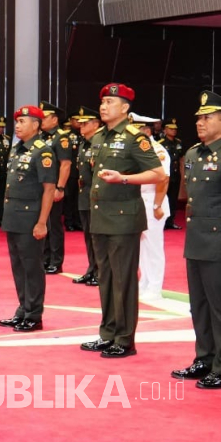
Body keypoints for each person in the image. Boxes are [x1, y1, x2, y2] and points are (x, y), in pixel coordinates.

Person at [171, 91, 221, 389]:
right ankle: (204, 358)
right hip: (196, 243)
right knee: (200, 306)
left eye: (207, 118)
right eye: (199, 118)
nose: (200, 122)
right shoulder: (193, 154)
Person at [80, 83, 166, 358]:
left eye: (110, 102)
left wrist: (124, 178)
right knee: (105, 277)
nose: (104, 106)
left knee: (123, 280)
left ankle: (125, 338)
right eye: (103, 102)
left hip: (123, 219)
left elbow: (157, 174)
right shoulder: (98, 137)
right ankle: (107, 333)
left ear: (125, 107)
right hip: (100, 216)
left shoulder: (134, 137)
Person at [0, 106, 57, 332]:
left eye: (23, 121)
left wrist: (42, 222)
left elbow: (49, 190)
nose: (18, 125)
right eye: (17, 122)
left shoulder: (42, 151)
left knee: (32, 267)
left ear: (36, 124)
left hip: (31, 218)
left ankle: (34, 314)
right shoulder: (17, 149)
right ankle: (23, 308)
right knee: (18, 266)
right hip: (13, 217)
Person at [129, 113, 170, 300]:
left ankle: (154, 287)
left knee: (153, 246)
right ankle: (144, 281)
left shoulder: (157, 150)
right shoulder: (137, 149)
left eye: (136, 129)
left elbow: (163, 179)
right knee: (141, 245)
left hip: (152, 199)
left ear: (145, 130)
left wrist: (157, 204)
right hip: (137, 200)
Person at [39, 101, 72, 275]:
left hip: (53, 188)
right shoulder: (42, 137)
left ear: (54, 119)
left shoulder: (62, 137)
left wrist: (60, 187)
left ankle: (56, 261)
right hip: (41, 188)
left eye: (45, 118)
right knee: (42, 222)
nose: (41, 121)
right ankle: (44, 258)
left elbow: (65, 164)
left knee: (54, 225)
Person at [72, 106, 101, 286]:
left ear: (96, 124)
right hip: (84, 196)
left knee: (98, 237)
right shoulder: (84, 143)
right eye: (80, 122)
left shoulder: (98, 144)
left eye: (85, 122)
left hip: (96, 197)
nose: (81, 125)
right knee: (88, 237)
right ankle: (92, 269)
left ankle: (100, 272)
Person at [160, 118, 185, 229]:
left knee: (173, 199)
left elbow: (180, 157)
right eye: (171, 128)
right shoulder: (161, 143)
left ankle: (171, 221)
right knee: (163, 198)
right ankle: (162, 222)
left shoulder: (178, 142)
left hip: (175, 174)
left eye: (175, 129)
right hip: (165, 174)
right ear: (165, 130)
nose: (174, 131)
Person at [63, 111, 83, 231]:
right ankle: (69, 221)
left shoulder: (84, 135)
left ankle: (78, 221)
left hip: (81, 172)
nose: (79, 122)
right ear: (71, 121)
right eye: (76, 120)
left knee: (79, 198)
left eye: (80, 120)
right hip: (70, 172)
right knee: (69, 198)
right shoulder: (67, 136)